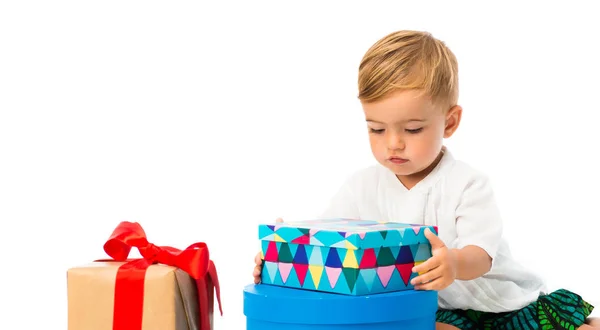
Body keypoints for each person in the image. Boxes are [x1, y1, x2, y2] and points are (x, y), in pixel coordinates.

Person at [251, 30, 598, 329]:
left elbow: (481, 254)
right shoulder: (361, 186)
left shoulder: (466, 183)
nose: (393, 143)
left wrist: (455, 263)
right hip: (439, 310)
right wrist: (285, 250)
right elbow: (328, 240)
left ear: (449, 123)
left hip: (502, 301)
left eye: (413, 129)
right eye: (376, 129)